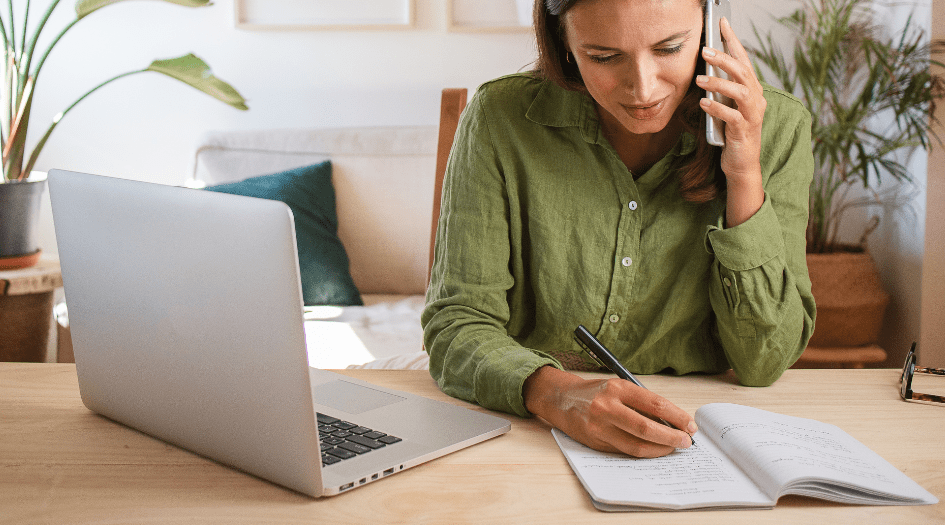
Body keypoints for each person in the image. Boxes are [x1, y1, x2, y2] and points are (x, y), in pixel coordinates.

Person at [422, 0, 816, 459]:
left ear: (711, 24)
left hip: (702, 440)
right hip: (530, 435)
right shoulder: (500, 119)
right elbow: (457, 325)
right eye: (604, 57)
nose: (643, 88)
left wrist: (745, 173)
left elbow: (765, 361)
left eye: (669, 48)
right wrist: (558, 395)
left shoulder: (779, 128)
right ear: (563, 43)